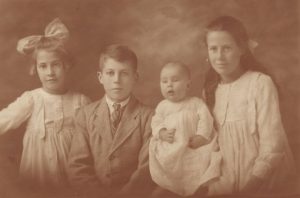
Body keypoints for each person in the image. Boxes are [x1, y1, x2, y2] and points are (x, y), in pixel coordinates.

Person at [203, 15, 296, 195]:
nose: (219, 56)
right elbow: (213, 147)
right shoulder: (209, 90)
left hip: (262, 184)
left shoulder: (260, 84)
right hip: (223, 184)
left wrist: (248, 191)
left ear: (242, 48)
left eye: (227, 48)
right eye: (213, 49)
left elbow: (272, 146)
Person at [0, 18, 90, 188]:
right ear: (35, 69)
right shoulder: (32, 99)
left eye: (55, 65)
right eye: (43, 66)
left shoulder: (81, 101)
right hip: (37, 171)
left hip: (71, 173)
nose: (50, 72)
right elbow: (4, 119)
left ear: (67, 65)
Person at [67, 44, 155, 197]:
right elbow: (78, 166)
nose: (117, 80)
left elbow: (147, 168)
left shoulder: (150, 117)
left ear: (135, 77)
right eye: (110, 73)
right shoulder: (85, 115)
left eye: (124, 73)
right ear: (100, 77)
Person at [149, 62, 221, 197]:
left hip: (193, 147)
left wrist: (202, 136)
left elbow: (206, 120)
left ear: (188, 85)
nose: (169, 84)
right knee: (170, 171)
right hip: (172, 148)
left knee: (198, 167)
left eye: (175, 80)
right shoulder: (162, 106)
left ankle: (194, 189)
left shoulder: (196, 103)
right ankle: (172, 187)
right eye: (164, 81)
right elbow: (156, 122)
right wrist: (162, 132)